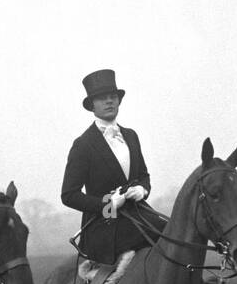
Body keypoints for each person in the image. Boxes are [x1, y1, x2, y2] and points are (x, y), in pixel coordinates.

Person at [60, 69, 164, 265]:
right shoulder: (83, 144)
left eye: (113, 97)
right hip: (105, 220)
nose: (109, 101)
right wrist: (108, 204)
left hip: (139, 213)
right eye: (102, 98)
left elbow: (143, 175)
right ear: (92, 106)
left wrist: (142, 189)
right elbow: (68, 195)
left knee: (173, 233)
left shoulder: (131, 135)